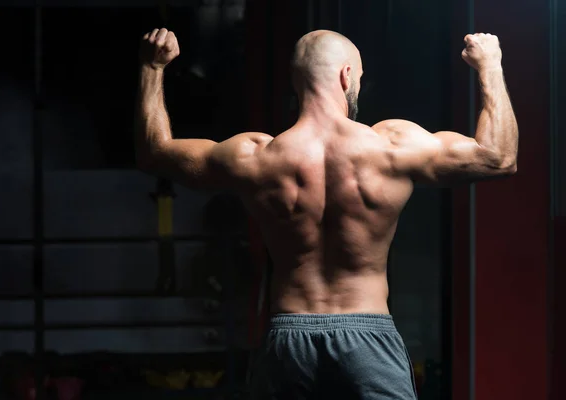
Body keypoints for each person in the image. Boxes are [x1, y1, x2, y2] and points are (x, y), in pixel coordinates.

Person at [136, 27, 518, 399]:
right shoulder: (391, 146)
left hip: (287, 339)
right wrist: (491, 66)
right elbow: (499, 158)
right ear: (346, 75)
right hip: (368, 335)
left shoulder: (254, 156)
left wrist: (152, 70)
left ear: (295, 81)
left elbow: (154, 153)